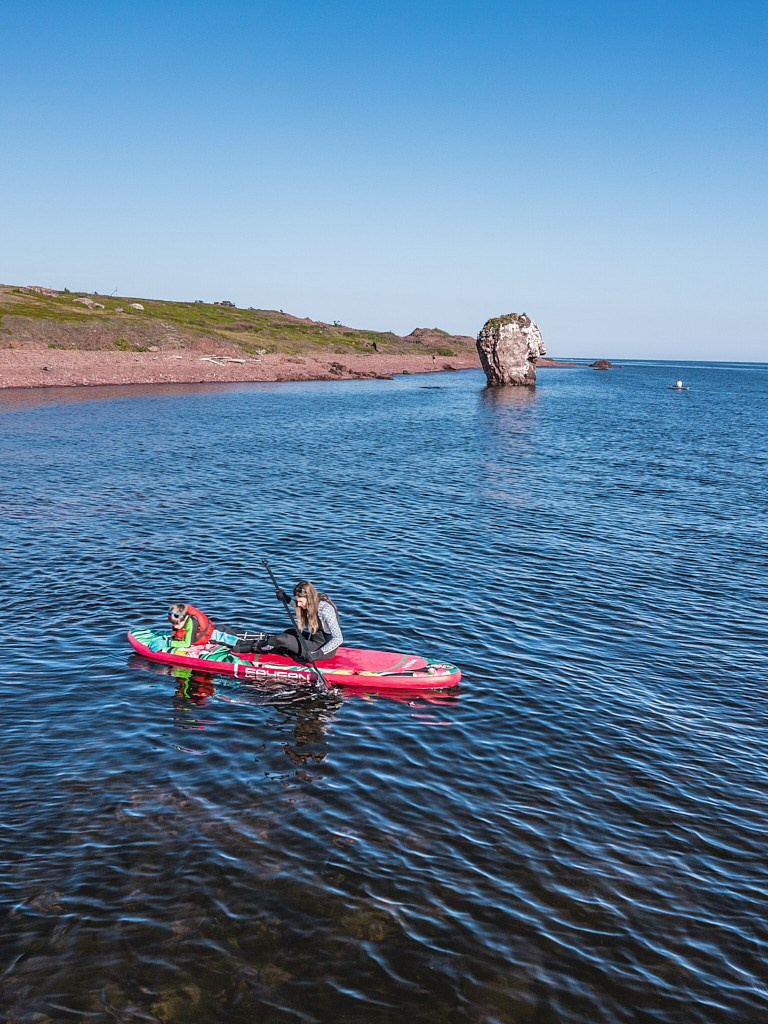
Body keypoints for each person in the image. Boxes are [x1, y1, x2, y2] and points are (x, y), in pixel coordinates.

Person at [237, 581, 342, 661]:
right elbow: (298, 606)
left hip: (323, 649)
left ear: (309, 597)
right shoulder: (312, 602)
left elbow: (338, 639)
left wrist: (317, 654)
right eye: (297, 601)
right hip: (315, 640)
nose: (298, 604)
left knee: (281, 639)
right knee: (289, 632)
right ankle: (283, 650)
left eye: (300, 601)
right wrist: (286, 598)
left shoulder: (326, 609)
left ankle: (254, 647)